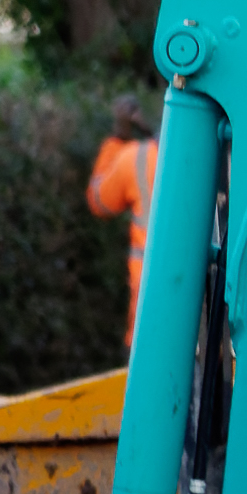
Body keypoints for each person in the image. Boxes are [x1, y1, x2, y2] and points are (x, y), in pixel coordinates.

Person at [85, 104, 161, 352]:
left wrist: (119, 137)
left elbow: (99, 201)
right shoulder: (226, 153)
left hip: (149, 314)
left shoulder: (137, 158)